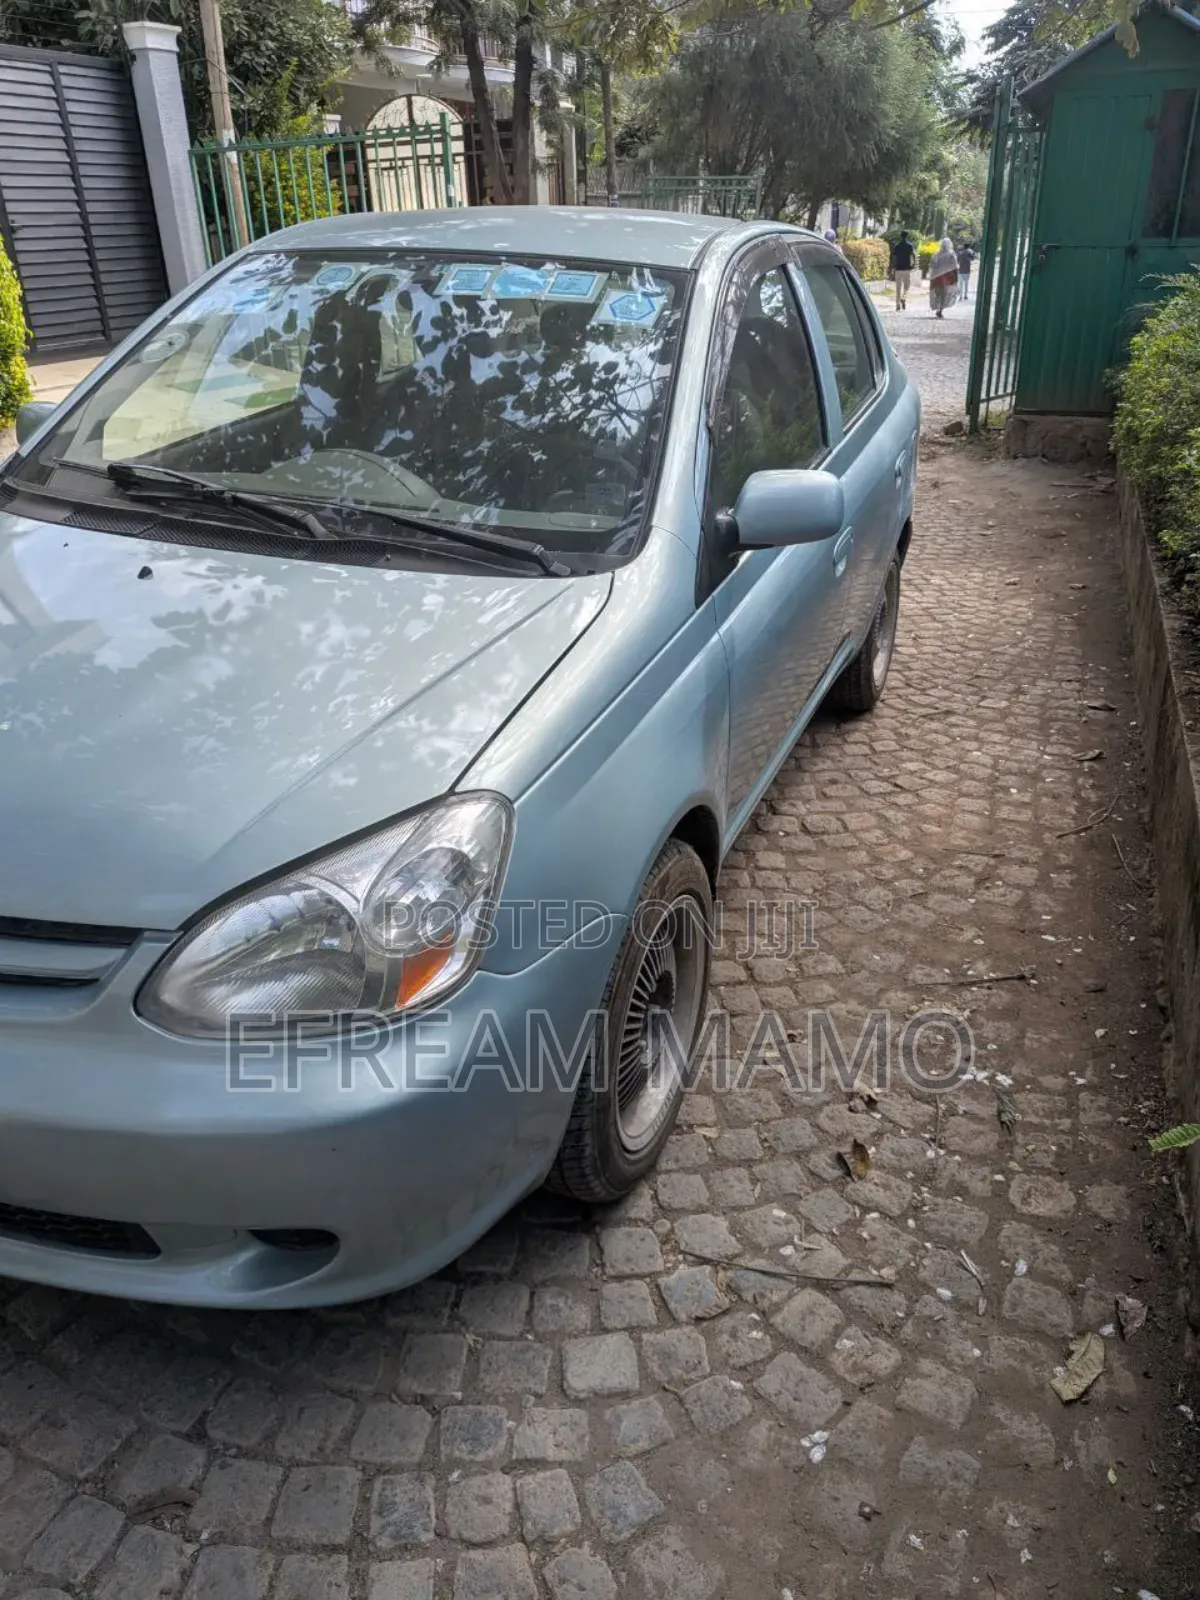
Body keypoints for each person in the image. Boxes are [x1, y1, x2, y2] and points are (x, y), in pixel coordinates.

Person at [929, 237, 958, 318]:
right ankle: (940, 310)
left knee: (938, 294)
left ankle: (938, 309)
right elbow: (955, 265)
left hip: (937, 277)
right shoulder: (952, 253)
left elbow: (932, 265)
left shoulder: (937, 253)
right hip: (947, 277)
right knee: (944, 295)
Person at [889, 230, 917, 310]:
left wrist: (893, 268)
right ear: (907, 236)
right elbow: (913, 255)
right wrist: (913, 264)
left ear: (901, 236)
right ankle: (904, 298)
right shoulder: (910, 246)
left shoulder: (897, 246)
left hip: (898, 269)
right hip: (907, 268)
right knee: (907, 286)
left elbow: (894, 258)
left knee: (898, 288)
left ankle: (897, 305)